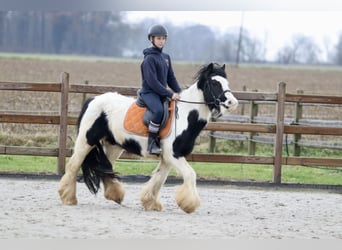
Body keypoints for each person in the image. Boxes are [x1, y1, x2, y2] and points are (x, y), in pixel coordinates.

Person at [140, 24, 181, 155]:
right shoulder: (149, 59)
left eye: (163, 38)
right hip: (149, 92)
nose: (161, 41)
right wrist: (169, 93)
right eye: (158, 38)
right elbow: (152, 82)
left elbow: (171, 77)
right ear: (151, 39)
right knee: (158, 111)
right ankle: (151, 143)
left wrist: (180, 92)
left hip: (161, 93)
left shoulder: (166, 57)